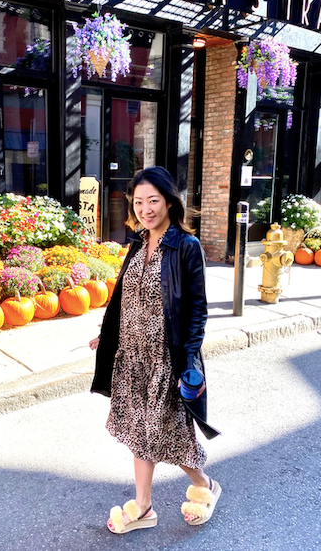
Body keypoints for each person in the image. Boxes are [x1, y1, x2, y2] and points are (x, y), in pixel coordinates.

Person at [89, 166, 221, 535]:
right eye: (139, 201)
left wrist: (189, 358)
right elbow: (123, 299)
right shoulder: (136, 242)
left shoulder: (186, 247)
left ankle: (202, 486)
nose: (146, 208)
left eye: (154, 201)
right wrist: (108, 335)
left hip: (167, 357)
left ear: (168, 201)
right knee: (140, 430)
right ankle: (147, 505)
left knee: (164, 431)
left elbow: (197, 309)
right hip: (132, 356)